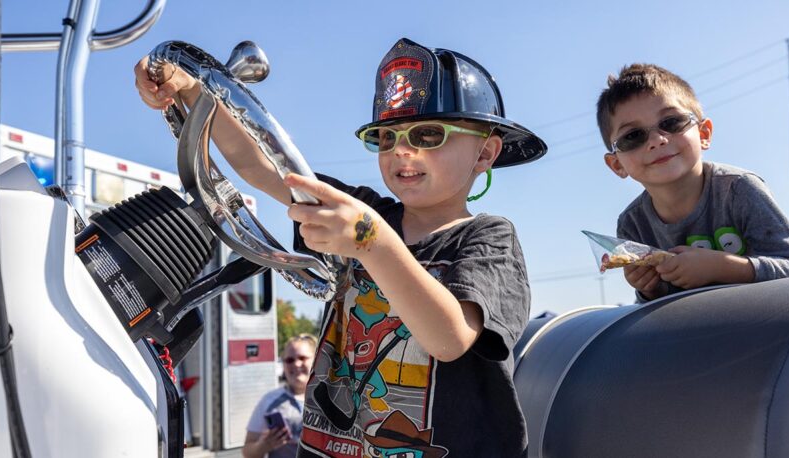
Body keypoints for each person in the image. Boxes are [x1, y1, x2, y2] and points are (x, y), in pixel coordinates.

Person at [135, 37, 546, 457]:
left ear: (485, 153)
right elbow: (260, 165)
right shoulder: (362, 212)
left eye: (428, 134)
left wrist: (372, 242)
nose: (401, 149)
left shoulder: (489, 239)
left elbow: (449, 337)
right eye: (385, 138)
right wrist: (188, 89)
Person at [597, 63, 789, 301]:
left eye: (671, 123)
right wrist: (649, 290)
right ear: (617, 165)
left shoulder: (738, 190)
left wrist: (724, 267)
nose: (657, 140)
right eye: (633, 136)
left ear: (703, 134)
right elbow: (658, 311)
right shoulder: (633, 224)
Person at [243, 334, 318, 458]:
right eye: (290, 360)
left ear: (316, 360)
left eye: (302, 358)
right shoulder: (269, 401)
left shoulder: (331, 400)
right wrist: (265, 445)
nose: (296, 364)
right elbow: (247, 451)